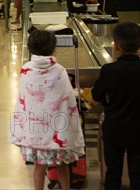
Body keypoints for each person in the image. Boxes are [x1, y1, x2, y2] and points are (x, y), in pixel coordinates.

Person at [9, 30, 85, 190]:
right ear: (53, 48)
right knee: (63, 166)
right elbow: (69, 97)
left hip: (37, 133)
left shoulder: (26, 70)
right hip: (59, 129)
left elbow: (25, 102)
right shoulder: (60, 70)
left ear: (30, 47)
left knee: (39, 167)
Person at [92, 22, 140, 190]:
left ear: (116, 46)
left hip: (114, 128)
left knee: (112, 173)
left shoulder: (108, 70)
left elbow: (96, 95)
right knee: (138, 174)